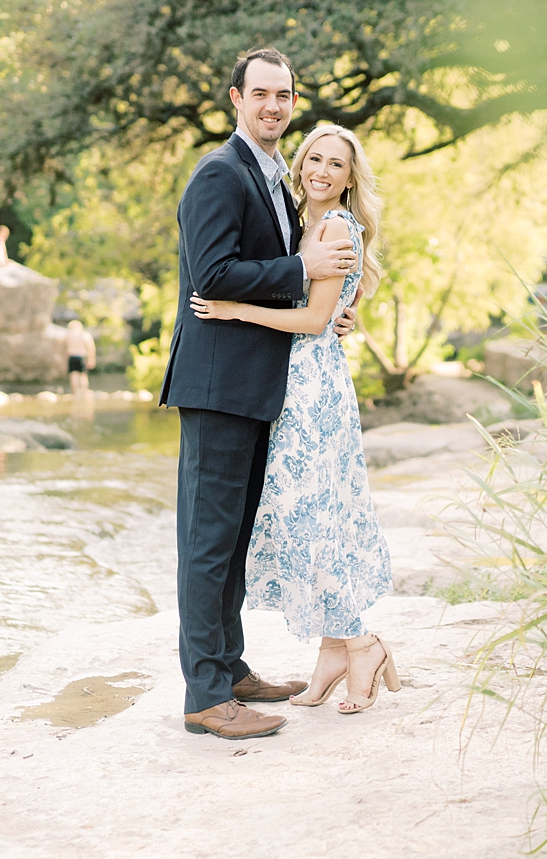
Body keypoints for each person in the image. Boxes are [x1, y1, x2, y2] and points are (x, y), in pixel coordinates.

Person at [159, 47, 359, 741]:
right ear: (236, 99)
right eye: (260, 94)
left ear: (293, 104)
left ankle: (232, 667)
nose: (272, 105)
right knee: (207, 542)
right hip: (217, 384)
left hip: (256, 387)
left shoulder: (272, 176)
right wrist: (300, 266)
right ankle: (205, 694)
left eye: (284, 95)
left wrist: (324, 305)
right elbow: (213, 272)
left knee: (235, 539)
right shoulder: (219, 173)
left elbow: (275, 276)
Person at [190, 124, 396, 714]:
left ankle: (362, 643)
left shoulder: (332, 226)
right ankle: (335, 650)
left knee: (311, 519)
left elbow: (311, 322)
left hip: (312, 391)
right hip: (294, 384)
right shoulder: (304, 221)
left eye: (337, 165)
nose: (323, 171)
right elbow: (327, 307)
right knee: (315, 513)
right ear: (301, 163)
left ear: (351, 178)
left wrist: (233, 309)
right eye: (315, 159)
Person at [65, 320, 95, 398]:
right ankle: (84, 392)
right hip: (81, 356)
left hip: (72, 356)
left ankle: (75, 393)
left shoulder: (69, 336)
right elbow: (90, 347)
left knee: (73, 375)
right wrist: (91, 359)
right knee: (83, 375)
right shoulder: (84, 335)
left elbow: (65, 348)